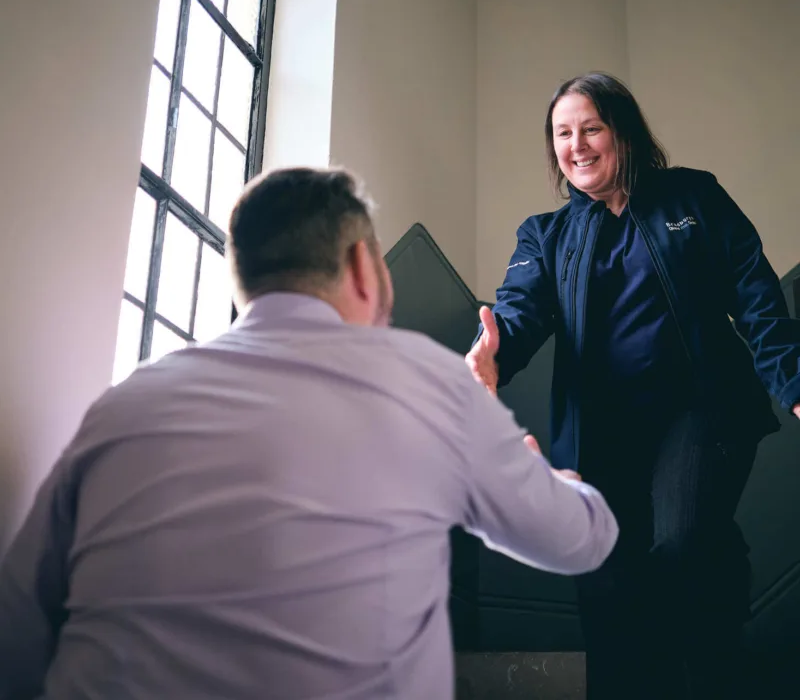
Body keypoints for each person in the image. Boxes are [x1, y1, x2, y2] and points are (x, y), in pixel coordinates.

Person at [0, 166, 618, 700]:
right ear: (361, 267)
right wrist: (560, 483)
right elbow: (580, 543)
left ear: (242, 274)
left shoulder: (127, 401)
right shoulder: (427, 382)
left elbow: (19, 630)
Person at [466, 72, 800, 699]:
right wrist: (491, 355)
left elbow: (756, 297)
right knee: (606, 583)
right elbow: (517, 312)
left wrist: (795, 380)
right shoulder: (546, 234)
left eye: (591, 127)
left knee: (682, 540)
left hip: (699, 412)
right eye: (563, 133)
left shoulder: (693, 198)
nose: (577, 145)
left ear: (624, 132)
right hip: (600, 431)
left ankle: (711, 663)